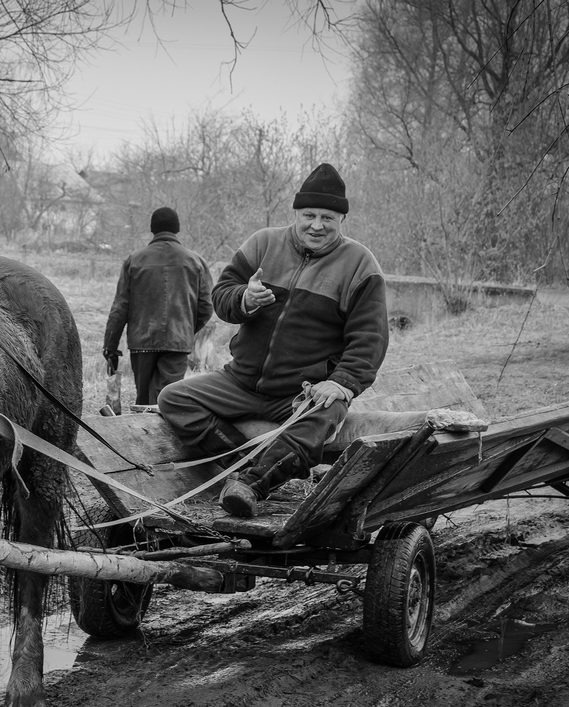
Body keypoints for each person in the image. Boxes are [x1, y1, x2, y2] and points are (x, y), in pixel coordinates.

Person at [157, 163, 389, 517]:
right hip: (241, 381)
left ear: (342, 219)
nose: (316, 225)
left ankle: (254, 484)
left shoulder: (360, 264)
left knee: (328, 411)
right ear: (295, 213)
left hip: (302, 390)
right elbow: (222, 295)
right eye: (308, 214)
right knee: (173, 398)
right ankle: (245, 466)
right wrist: (243, 300)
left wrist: (341, 383)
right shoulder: (263, 243)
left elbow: (370, 338)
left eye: (327, 217)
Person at [103, 207, 214, 405]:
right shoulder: (196, 261)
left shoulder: (134, 260)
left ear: (152, 228)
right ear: (177, 228)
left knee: (144, 402)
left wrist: (110, 347)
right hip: (178, 343)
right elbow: (206, 306)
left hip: (142, 343)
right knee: (167, 402)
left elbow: (120, 308)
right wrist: (186, 329)